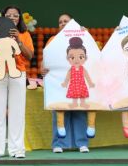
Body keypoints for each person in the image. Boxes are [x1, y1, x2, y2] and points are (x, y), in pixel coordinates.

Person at [0, 6, 34, 158]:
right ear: (3, 17)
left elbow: (30, 56)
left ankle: (17, 150)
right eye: (9, 15)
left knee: (17, 112)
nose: (12, 17)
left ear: (19, 19)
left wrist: (18, 40)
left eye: (15, 15)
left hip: (17, 74)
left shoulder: (24, 34)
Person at [41, 13, 90, 153]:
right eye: (60, 22)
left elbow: (90, 54)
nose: (63, 23)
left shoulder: (82, 36)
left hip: (78, 81)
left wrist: (86, 34)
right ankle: (59, 144)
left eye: (66, 21)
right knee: (60, 111)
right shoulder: (52, 40)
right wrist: (42, 69)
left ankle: (82, 143)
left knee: (79, 112)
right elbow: (45, 59)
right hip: (59, 83)